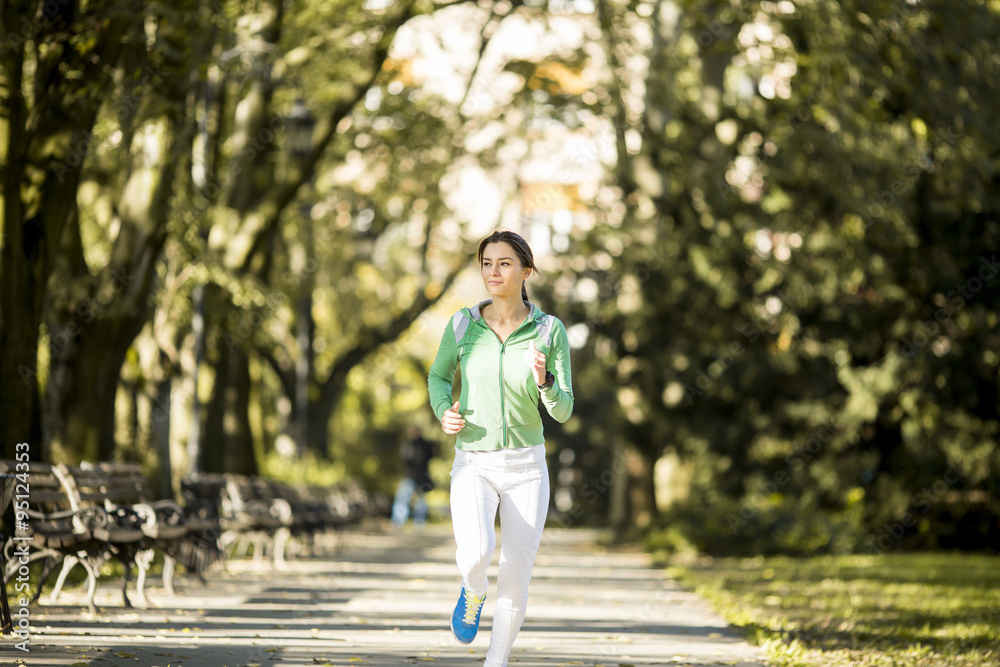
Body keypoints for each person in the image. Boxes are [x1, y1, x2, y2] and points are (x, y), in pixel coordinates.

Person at [427, 230, 574, 667]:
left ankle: (497, 662)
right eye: (487, 263)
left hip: (528, 466)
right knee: (475, 555)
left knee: (516, 571)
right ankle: (472, 592)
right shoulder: (462, 324)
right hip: (473, 460)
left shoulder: (549, 331)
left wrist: (545, 379)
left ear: (526, 271)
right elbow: (438, 377)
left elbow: (563, 410)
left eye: (505, 263)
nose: (494, 271)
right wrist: (442, 411)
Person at [391, 426, 436, 528]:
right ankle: (398, 522)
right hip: (410, 475)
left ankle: (419, 522)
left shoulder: (424, 445)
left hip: (421, 476)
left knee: (420, 501)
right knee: (403, 499)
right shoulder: (408, 445)